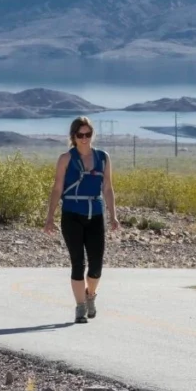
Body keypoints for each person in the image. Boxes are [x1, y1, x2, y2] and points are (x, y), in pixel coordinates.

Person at [43, 117, 120, 323]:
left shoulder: (103, 158)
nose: (84, 139)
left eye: (87, 134)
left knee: (96, 266)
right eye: (80, 135)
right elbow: (57, 188)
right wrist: (50, 217)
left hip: (95, 213)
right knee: (78, 263)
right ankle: (80, 307)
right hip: (71, 214)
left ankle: (90, 295)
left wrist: (114, 216)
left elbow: (108, 188)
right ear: (74, 137)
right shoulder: (66, 159)